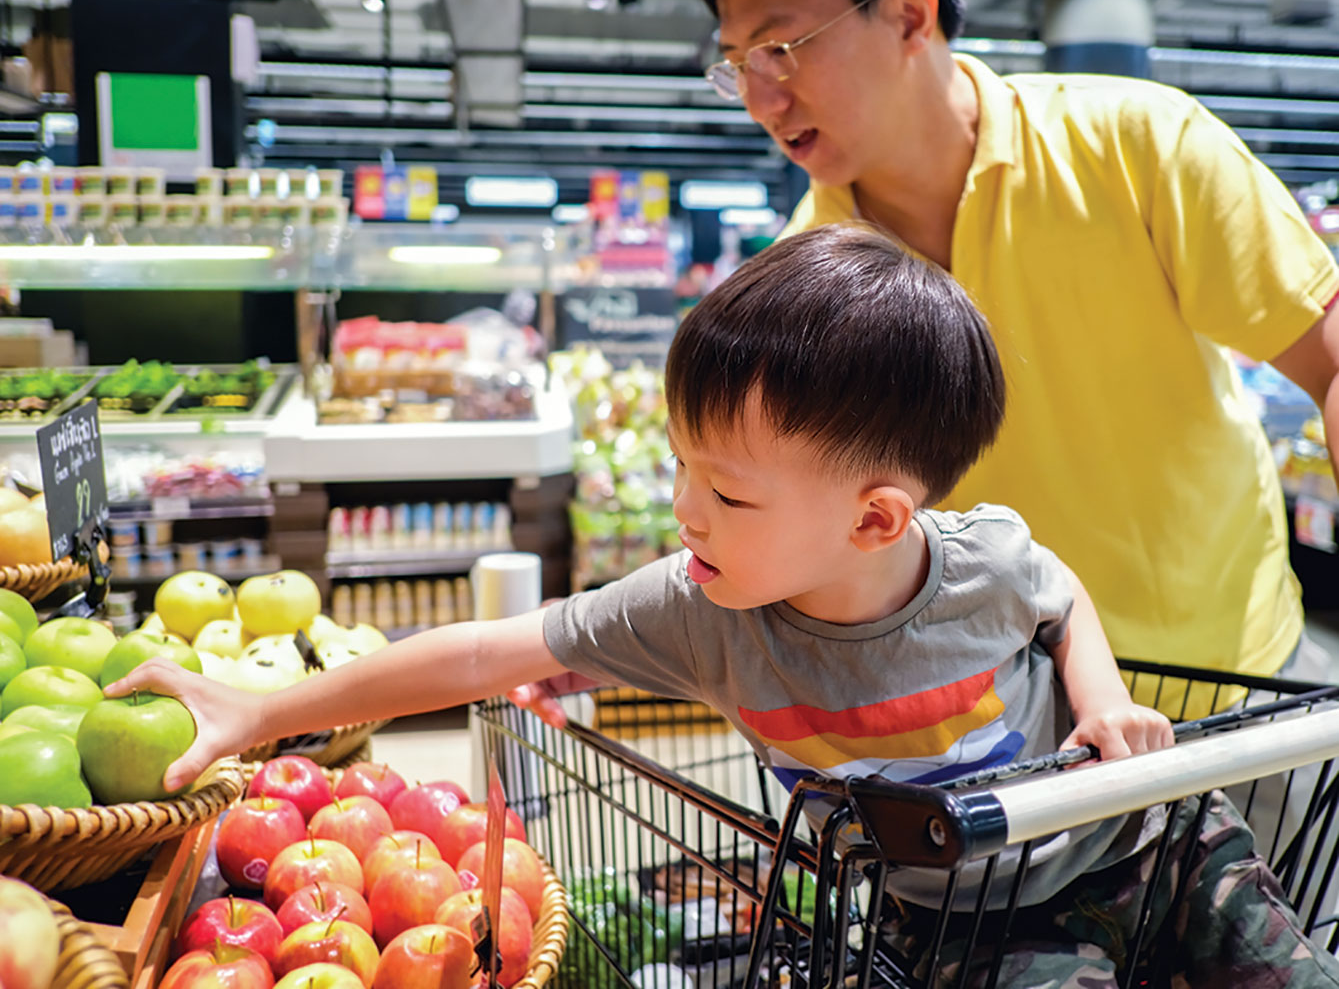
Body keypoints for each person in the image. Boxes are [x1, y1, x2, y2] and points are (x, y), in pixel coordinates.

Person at [116, 227, 1338, 987]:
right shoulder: (697, 611)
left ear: (875, 519)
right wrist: (268, 702)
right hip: (972, 924)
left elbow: (1056, 591)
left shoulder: (975, 561)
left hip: (1153, 842)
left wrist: (1105, 701)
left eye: (727, 492)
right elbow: (484, 649)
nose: (686, 515)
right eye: (681, 471)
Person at [686, 0, 1339, 718]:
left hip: (1233, 682)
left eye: (778, 49)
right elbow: (769, 516)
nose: (759, 96)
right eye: (735, 65)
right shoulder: (801, 285)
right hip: (998, 736)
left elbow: (1330, 359)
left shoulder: (1139, 146)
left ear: (909, 14)